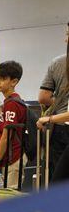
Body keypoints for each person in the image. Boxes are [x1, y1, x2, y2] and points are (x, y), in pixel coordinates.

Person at [38, 22, 69, 178]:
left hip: (61, 126)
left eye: (68, 34)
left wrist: (49, 117)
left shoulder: (57, 63)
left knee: (58, 179)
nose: (65, 39)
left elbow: (43, 97)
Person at [0, 61, 27, 189]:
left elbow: (7, 136)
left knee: (10, 199)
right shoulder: (8, 102)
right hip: (9, 158)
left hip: (14, 158)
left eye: (3, 78)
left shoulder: (12, 104)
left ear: (14, 81)